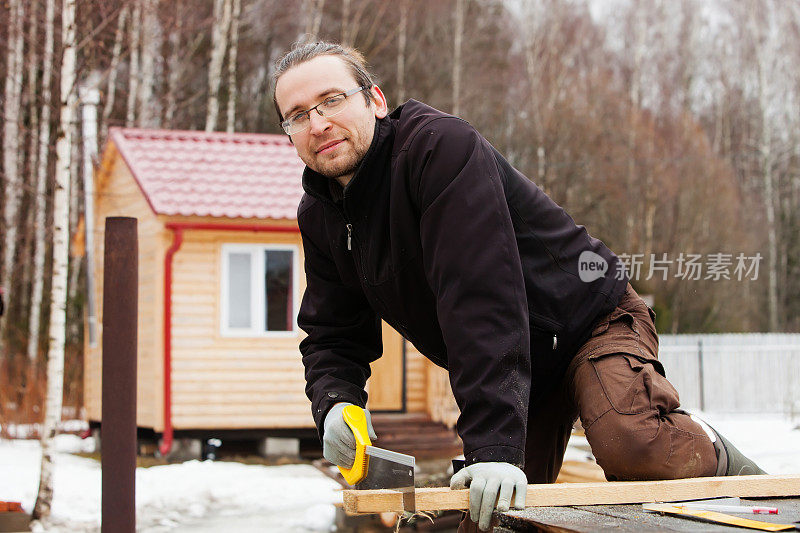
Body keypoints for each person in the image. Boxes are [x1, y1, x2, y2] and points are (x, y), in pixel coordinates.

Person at [272, 41, 765, 532]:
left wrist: (492, 448)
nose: (318, 124)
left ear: (374, 101)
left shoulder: (438, 150)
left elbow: (480, 297)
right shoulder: (320, 216)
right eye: (297, 115)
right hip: (521, 366)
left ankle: (713, 451)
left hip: (588, 319)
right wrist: (336, 400)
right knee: (493, 518)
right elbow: (332, 330)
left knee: (631, 442)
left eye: (332, 100)